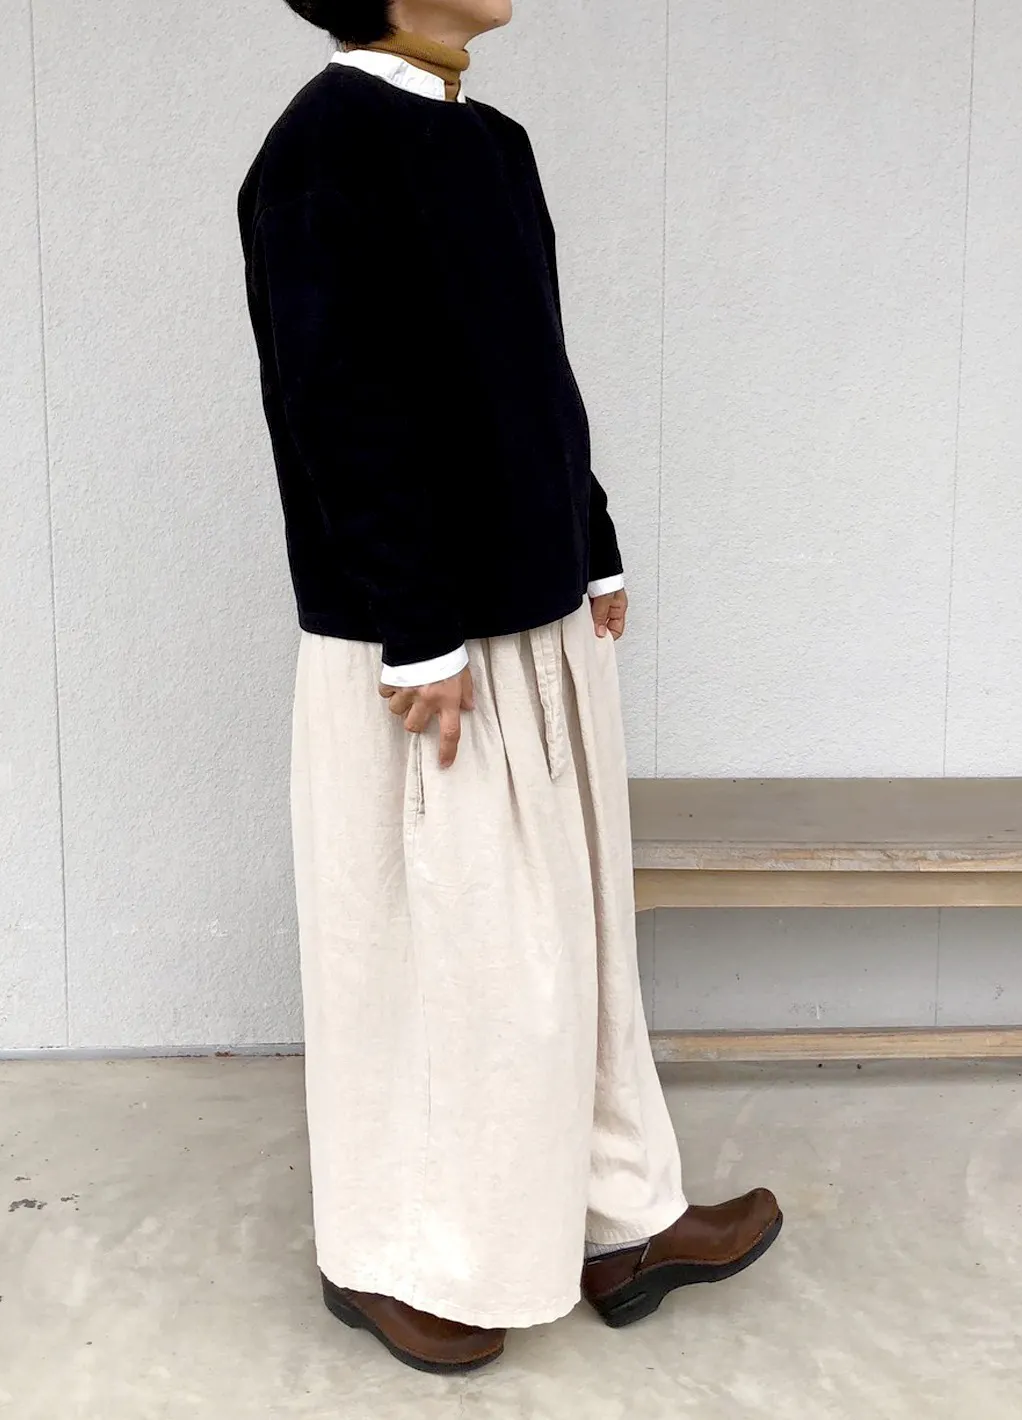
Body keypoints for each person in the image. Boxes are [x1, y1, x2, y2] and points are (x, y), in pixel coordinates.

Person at [237, 0, 782, 1374]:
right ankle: (395, 1256)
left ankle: (619, 1217)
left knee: (572, 943)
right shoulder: (319, 148)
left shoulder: (492, 140)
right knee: (446, 962)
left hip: (535, 612)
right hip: (427, 647)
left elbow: (534, 368)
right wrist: (413, 631)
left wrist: (588, 536)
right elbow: (333, 405)